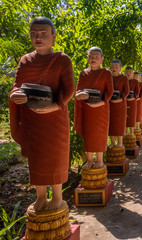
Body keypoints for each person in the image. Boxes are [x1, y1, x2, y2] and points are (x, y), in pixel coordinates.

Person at [9, 17, 74, 211]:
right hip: (32, 118)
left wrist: (53, 106)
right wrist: (15, 96)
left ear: (53, 37)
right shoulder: (25, 60)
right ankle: (40, 196)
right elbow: (16, 87)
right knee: (37, 158)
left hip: (54, 117)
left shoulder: (62, 60)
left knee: (55, 156)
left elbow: (69, 90)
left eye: (44, 34)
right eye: (34, 34)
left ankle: (57, 196)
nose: (38, 37)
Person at [74, 47, 113, 169]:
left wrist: (101, 102)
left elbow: (109, 91)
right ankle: (89, 160)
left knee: (99, 134)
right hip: (87, 109)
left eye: (96, 57)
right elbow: (78, 89)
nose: (93, 59)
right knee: (89, 134)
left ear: (102, 59)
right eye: (91, 56)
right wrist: (79, 95)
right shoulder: (83, 73)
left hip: (101, 109)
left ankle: (100, 161)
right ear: (87, 58)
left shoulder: (106, 73)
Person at [108, 59, 129, 147]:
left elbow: (126, 91)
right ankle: (112, 142)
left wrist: (121, 99)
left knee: (120, 123)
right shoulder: (108, 77)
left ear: (120, 68)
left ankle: (120, 143)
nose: (114, 68)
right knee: (111, 122)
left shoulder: (124, 78)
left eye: (116, 67)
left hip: (120, 103)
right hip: (110, 103)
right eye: (112, 67)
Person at [125, 67, 139, 135]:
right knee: (124, 118)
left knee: (131, 117)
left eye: (130, 72)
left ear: (132, 73)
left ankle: (131, 132)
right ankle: (125, 132)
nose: (128, 73)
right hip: (124, 101)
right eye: (127, 72)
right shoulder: (123, 80)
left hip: (132, 101)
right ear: (124, 72)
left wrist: (133, 98)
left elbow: (137, 92)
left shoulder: (135, 82)